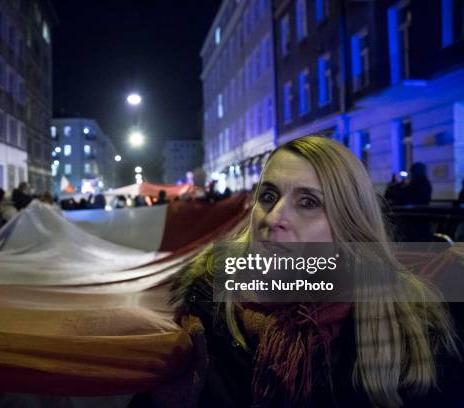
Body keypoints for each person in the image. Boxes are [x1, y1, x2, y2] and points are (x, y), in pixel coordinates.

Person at [131, 136, 462, 407]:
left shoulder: (413, 329)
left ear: (350, 226)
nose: (273, 218)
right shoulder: (205, 312)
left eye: (308, 203)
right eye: (269, 195)